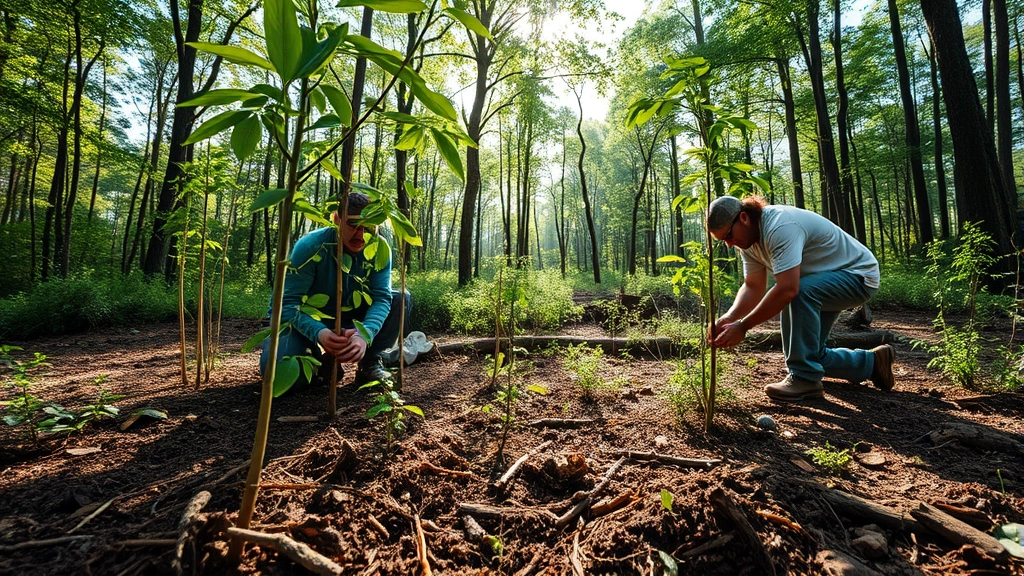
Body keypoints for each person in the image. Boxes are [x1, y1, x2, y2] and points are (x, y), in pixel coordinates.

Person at [706, 195, 895, 402]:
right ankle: (872, 363)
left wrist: (743, 327)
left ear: (744, 217)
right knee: (811, 353)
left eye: (729, 236)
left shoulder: (780, 226)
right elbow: (753, 286)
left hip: (857, 276)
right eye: (723, 241)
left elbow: (787, 289)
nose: (730, 244)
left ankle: (804, 378)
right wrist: (729, 318)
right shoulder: (749, 242)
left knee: (797, 291)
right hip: (821, 282)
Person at [259, 192, 411, 389]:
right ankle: (319, 359)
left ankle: (370, 361)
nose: (360, 235)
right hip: (311, 322)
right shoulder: (310, 247)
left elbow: (381, 298)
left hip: (355, 321)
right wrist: (319, 333)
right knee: (279, 374)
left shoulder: (379, 248)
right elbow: (286, 305)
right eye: (353, 225)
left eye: (368, 227)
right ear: (337, 219)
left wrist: (365, 334)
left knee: (401, 298)